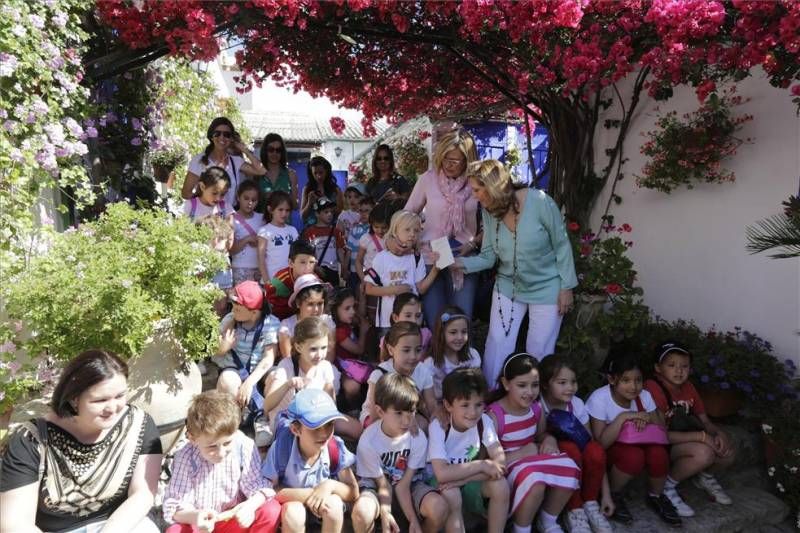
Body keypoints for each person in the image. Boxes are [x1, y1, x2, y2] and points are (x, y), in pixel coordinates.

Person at [0, 350, 163, 533]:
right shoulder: (31, 439)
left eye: (120, 396)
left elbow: (143, 493)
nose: (113, 408)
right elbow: (14, 522)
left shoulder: (139, 425)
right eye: (100, 400)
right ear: (73, 399)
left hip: (118, 524)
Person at [454, 159, 578, 388]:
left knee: (539, 350)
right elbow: (489, 257)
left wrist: (567, 287)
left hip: (547, 287)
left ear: (493, 186)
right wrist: (458, 263)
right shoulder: (490, 212)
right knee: (497, 343)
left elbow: (562, 244)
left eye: (478, 189)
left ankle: (532, 406)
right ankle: (491, 397)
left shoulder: (540, 202)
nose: (475, 196)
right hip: (507, 286)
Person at [487, 353, 581, 533]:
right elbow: (485, 461)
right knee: (535, 482)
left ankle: (548, 521)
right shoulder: (494, 415)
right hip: (507, 466)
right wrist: (521, 454)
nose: (530, 392)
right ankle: (521, 527)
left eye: (535, 385)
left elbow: (541, 435)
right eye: (522, 385)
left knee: (569, 466)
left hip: (532, 459)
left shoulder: (536, 409)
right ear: (506, 384)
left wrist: (550, 439)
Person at [162, 391, 281, 533]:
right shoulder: (185, 457)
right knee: (175, 530)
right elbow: (174, 505)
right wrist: (196, 516)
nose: (221, 453)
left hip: (232, 519)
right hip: (201, 525)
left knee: (271, 510)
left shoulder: (244, 446)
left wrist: (250, 506)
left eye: (227, 443)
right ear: (193, 439)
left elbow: (258, 486)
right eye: (212, 446)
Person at [586, 351, 680, 527]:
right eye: (626, 380)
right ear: (612, 379)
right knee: (633, 456)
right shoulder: (599, 399)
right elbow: (600, 444)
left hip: (643, 442)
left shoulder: (644, 396)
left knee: (659, 453)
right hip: (613, 451)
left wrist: (644, 417)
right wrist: (625, 417)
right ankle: (613, 494)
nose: (634, 387)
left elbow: (661, 429)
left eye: (638, 380)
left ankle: (656, 496)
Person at [644, 341, 735, 517]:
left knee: (727, 449)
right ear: (658, 368)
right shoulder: (653, 388)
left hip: (683, 436)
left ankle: (705, 477)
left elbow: (705, 421)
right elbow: (660, 435)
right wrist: (701, 437)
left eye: (684, 366)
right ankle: (666, 487)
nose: (679, 370)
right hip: (660, 443)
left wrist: (718, 434)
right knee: (704, 453)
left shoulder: (688, 387)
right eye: (671, 365)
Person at [351, 373, 450, 533]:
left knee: (439, 508)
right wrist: (385, 512)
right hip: (377, 486)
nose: (407, 420)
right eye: (398, 413)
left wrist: (413, 521)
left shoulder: (417, 438)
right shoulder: (368, 440)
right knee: (362, 512)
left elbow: (403, 486)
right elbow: (383, 485)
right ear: (380, 411)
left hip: (409, 484)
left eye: (411, 411)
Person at [404, 129, 481, 327]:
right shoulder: (427, 179)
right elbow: (408, 214)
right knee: (435, 317)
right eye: (446, 158)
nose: (449, 164)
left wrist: (473, 243)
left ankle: (462, 358)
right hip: (432, 254)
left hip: (464, 255)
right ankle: (436, 357)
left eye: (456, 160)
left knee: (461, 318)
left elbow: (492, 223)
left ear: (467, 160)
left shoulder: (476, 183)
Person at [262, 389, 359, 533]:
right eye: (316, 427)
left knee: (335, 505)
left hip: (323, 508)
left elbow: (353, 491)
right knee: (294, 513)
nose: (325, 433)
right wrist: (311, 494)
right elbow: (268, 490)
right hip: (292, 507)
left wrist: (329, 486)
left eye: (329, 424)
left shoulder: (334, 448)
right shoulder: (282, 448)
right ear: (296, 429)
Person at [428, 368, 510, 533]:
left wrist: (463, 480)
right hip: (439, 485)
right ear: (448, 405)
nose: (473, 412)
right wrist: (481, 465)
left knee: (501, 485)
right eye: (465, 405)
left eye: (479, 404)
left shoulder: (484, 421)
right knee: (452, 494)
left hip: (466, 481)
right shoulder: (439, 426)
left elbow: (500, 465)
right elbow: (442, 474)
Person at [539, 355, 614, 533]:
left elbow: (591, 446)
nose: (570, 388)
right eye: (562, 382)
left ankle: (590, 503)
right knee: (569, 449)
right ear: (545, 384)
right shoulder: (538, 405)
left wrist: (606, 494)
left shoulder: (577, 404)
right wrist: (550, 438)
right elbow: (535, 438)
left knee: (595, 450)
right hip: (552, 463)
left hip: (582, 466)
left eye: (573, 382)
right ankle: (573, 509)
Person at [213, 280, 280, 446]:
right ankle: (232, 421)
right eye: (233, 306)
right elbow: (215, 351)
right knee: (227, 380)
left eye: (238, 308)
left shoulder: (271, 324)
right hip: (235, 368)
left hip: (259, 372)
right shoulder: (230, 320)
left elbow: (268, 358)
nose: (233, 311)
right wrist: (224, 346)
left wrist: (249, 382)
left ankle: (262, 419)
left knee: (278, 376)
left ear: (254, 312)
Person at [363, 210, 440, 332]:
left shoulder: (416, 257)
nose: (412, 234)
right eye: (407, 230)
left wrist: (436, 269)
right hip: (387, 320)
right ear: (395, 230)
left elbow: (421, 288)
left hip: (413, 319)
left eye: (416, 230)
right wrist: (395, 289)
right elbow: (369, 289)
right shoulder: (382, 257)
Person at [360, 322, 439, 433]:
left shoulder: (423, 371)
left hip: (406, 413)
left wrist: (437, 425)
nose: (413, 356)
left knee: (423, 425)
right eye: (406, 350)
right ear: (391, 350)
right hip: (379, 417)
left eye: (418, 350)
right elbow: (375, 415)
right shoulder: (379, 375)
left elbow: (432, 404)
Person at [182, 117, 265, 208]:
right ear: (211, 136)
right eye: (217, 133)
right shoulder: (199, 160)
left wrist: (243, 149)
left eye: (227, 135)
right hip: (207, 217)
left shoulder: (235, 161)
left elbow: (261, 171)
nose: (222, 137)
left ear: (231, 139)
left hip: (229, 217)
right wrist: (204, 204)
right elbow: (186, 193)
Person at [425, 306, 482, 402]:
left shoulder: (472, 355)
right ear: (441, 333)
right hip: (440, 405)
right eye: (453, 332)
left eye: (464, 332)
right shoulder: (431, 363)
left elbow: (476, 385)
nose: (459, 337)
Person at [332, 288, 371, 409]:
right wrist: (363, 331)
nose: (352, 311)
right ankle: (354, 409)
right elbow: (359, 349)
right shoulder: (339, 332)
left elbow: (360, 314)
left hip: (355, 364)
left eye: (353, 306)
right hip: (344, 368)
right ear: (335, 310)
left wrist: (362, 298)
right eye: (347, 308)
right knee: (352, 387)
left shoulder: (347, 321)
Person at [264, 239, 318, 320]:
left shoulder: (314, 278)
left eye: (311, 262)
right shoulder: (279, 283)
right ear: (290, 263)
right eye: (302, 262)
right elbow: (273, 313)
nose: (308, 267)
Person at [356, 202, 390, 324]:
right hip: (370, 279)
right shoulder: (366, 238)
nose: (380, 230)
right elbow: (358, 261)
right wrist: (363, 278)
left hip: (387, 281)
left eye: (384, 227)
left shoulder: (392, 239)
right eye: (376, 227)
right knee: (369, 311)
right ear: (371, 224)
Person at [302, 197, 347, 287]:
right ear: (317, 214)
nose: (330, 214)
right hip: (317, 271)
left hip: (333, 271)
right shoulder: (309, 232)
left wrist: (344, 267)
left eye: (331, 212)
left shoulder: (336, 231)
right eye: (326, 212)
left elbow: (340, 250)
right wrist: (314, 266)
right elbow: (307, 253)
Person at [256, 190, 298, 282]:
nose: (284, 214)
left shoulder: (293, 230)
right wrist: (267, 282)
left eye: (287, 210)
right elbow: (261, 259)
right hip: (272, 280)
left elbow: (297, 255)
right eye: (280, 209)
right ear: (270, 209)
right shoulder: (264, 231)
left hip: (291, 280)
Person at [230, 181, 266, 285]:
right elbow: (230, 250)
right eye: (246, 198)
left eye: (253, 200)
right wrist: (247, 239)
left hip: (260, 268)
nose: (250, 202)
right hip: (239, 268)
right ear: (238, 197)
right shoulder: (231, 219)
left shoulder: (262, 219)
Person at [253, 132, 299, 213]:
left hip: (284, 223)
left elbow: (295, 206)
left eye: (278, 150)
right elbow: (248, 202)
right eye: (271, 150)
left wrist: (283, 197)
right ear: (265, 151)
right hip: (262, 223)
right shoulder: (256, 173)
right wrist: (263, 197)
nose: (274, 153)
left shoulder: (291, 174)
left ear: (282, 152)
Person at [301, 156, 344, 226]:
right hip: (312, 230)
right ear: (311, 173)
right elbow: (302, 216)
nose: (318, 176)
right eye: (315, 173)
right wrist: (309, 203)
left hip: (330, 230)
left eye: (321, 172)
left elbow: (341, 214)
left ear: (327, 171)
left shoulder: (336, 190)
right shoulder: (307, 189)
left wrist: (326, 200)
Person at [345, 195, 373, 292]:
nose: (363, 214)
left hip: (369, 271)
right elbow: (349, 250)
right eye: (361, 211)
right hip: (353, 271)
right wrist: (345, 268)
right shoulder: (355, 229)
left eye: (367, 211)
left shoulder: (375, 231)